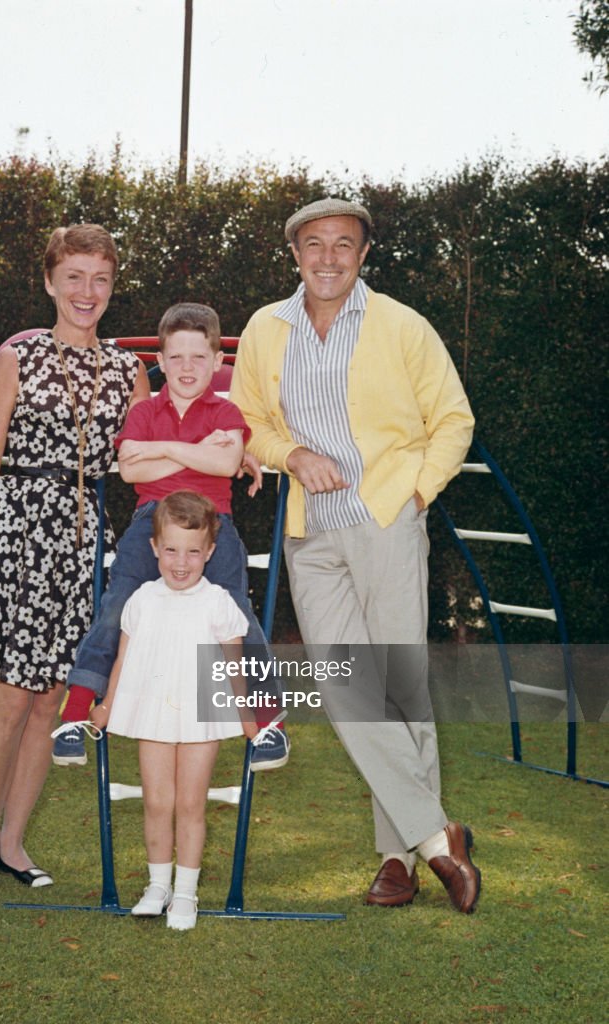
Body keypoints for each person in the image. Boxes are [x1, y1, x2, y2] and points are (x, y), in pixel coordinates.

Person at [229, 197, 481, 913]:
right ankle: (441, 837)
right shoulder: (264, 329)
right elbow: (245, 420)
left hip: (385, 524)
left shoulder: (402, 325)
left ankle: (397, 858)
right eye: (315, 244)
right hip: (312, 536)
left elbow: (453, 419)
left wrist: (418, 493)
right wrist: (290, 453)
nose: (329, 256)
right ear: (296, 254)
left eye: (344, 243)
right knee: (346, 691)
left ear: (363, 254)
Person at [0, 223, 149, 889]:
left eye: (101, 279)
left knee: (51, 698)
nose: (87, 292)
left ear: (112, 287)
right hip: (17, 535)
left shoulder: (128, 371)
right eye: (75, 278)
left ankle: (14, 843)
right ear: (50, 282)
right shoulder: (18, 358)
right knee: (9, 699)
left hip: (85, 541)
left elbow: (146, 460)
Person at [51, 301, 289, 772]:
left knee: (238, 614)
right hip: (151, 523)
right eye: (175, 357)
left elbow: (222, 465)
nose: (186, 367)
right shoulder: (143, 412)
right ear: (158, 361)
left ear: (217, 362)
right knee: (118, 603)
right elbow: (127, 470)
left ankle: (266, 721)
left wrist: (161, 454)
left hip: (212, 523)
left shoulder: (227, 411)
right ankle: (76, 712)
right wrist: (196, 452)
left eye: (198, 357)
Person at [92, 491, 258, 930]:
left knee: (189, 802)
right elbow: (123, 659)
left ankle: (186, 892)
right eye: (170, 550)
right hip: (154, 714)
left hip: (204, 715)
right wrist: (106, 706)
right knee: (157, 801)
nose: (180, 563)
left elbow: (234, 663)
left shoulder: (219, 601)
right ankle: (157, 885)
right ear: (154, 549)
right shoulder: (142, 600)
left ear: (209, 552)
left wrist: (246, 714)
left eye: (191, 552)